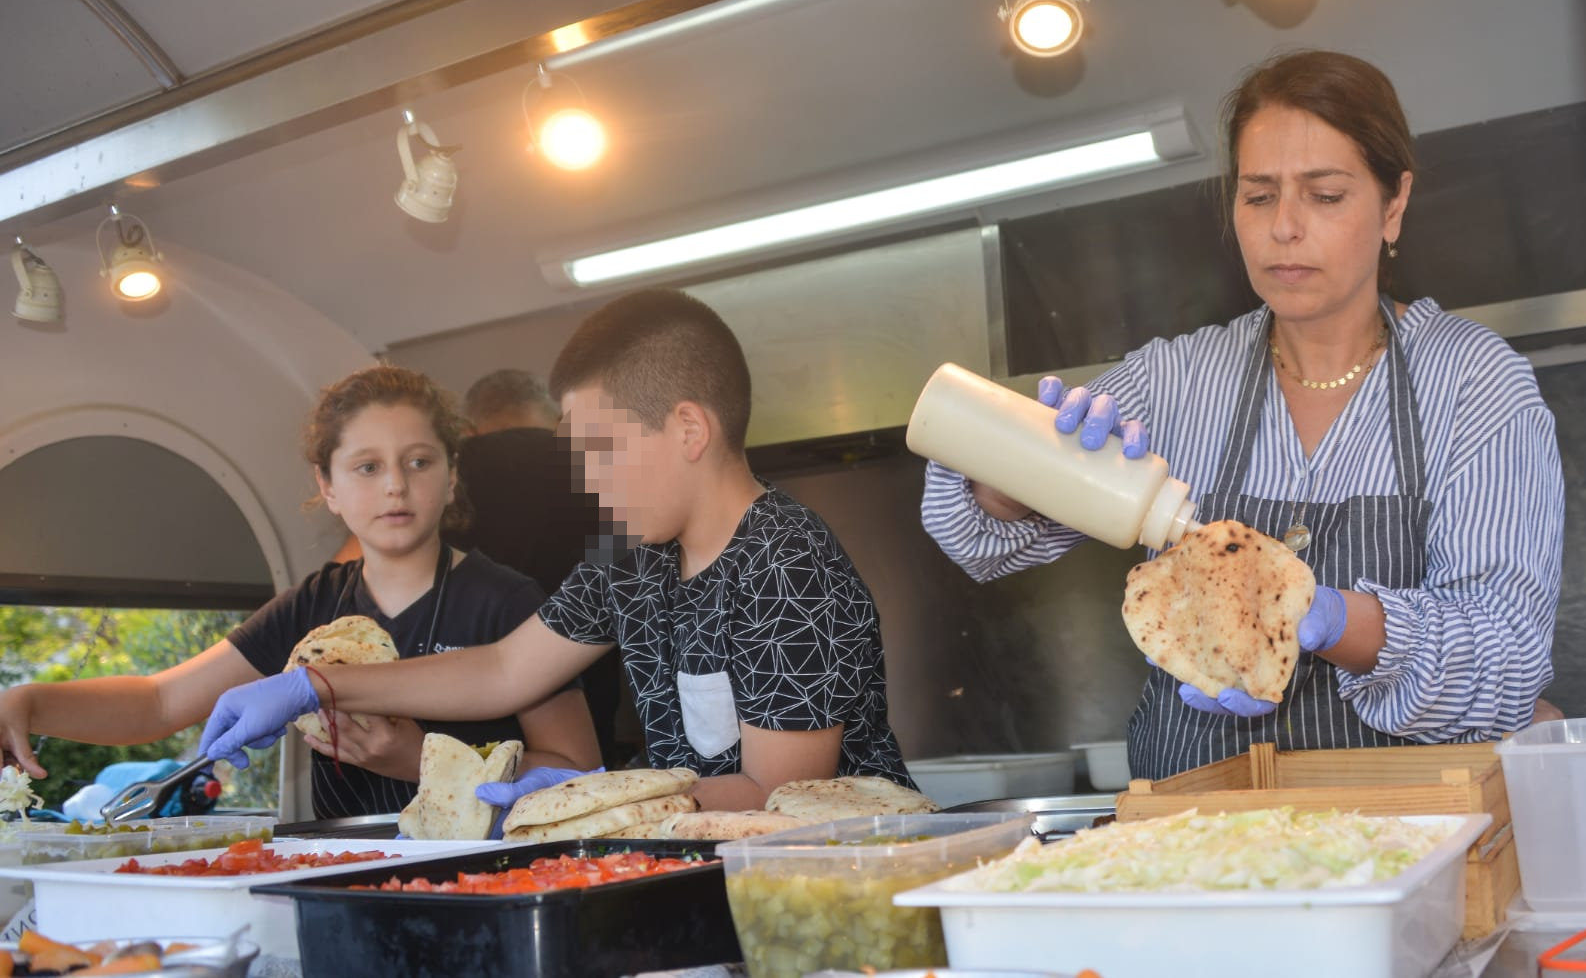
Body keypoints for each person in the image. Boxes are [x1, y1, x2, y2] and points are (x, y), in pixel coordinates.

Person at [922, 49, 1563, 780]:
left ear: (1393, 204)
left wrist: (1331, 618)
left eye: (1324, 196)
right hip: (1193, 840)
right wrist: (1010, 481)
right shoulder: (1176, 380)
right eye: (1259, 196)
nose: (1284, 227)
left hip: (1405, 839)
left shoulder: (1475, 384)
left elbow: (1508, 658)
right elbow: (973, 539)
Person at [199, 290, 914, 811]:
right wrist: (316, 686)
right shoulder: (632, 558)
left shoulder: (784, 561)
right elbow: (506, 668)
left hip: (838, 888)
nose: (590, 483)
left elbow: (776, 796)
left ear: (689, 429)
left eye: (602, 451)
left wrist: (590, 792)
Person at [0, 367, 601, 818]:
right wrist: (31, 702)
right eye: (367, 467)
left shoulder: (507, 602)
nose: (396, 486)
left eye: (419, 462)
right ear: (328, 486)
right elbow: (158, 703)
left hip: (481, 874)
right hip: (339, 870)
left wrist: (427, 764)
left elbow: (577, 769)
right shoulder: (312, 608)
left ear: (451, 477)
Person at [454, 368, 629, 769]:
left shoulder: (445, 474)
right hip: (585, 703)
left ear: (467, 427)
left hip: (460, 704)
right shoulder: (595, 465)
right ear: (557, 421)